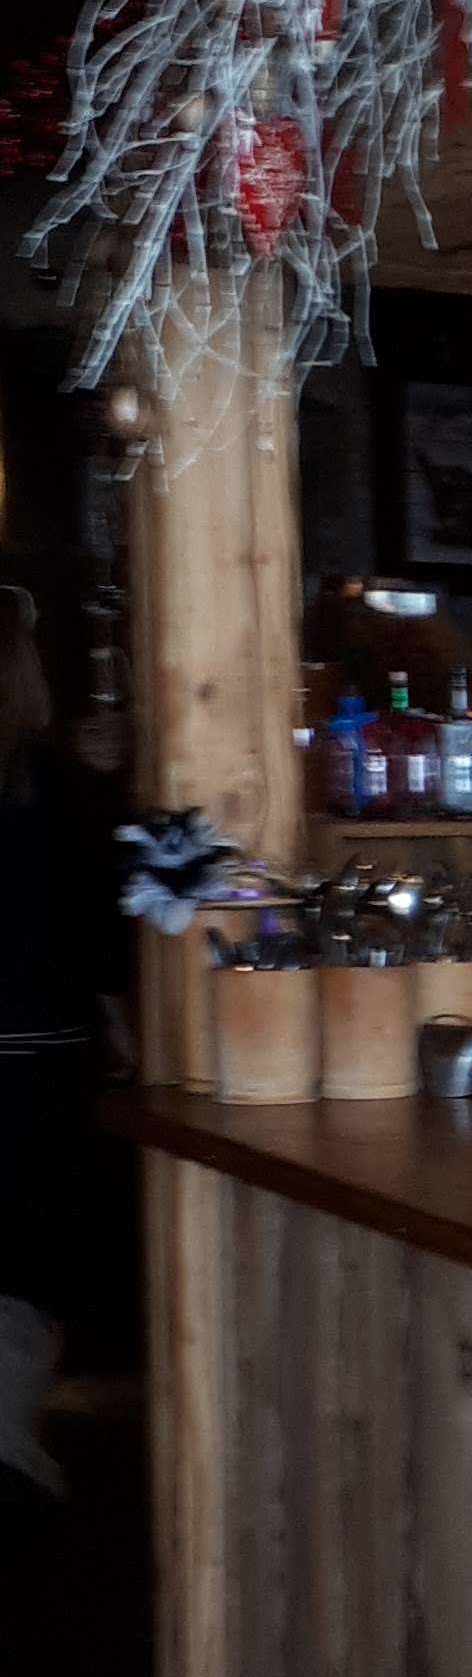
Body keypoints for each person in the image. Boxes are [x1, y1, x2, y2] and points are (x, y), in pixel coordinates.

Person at [0, 588, 126, 1490]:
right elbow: (94, 923)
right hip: (37, 1048)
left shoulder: (57, 777)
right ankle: (10, 1440)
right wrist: (119, 1018)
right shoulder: (49, 784)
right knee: (31, 1251)